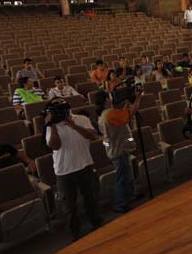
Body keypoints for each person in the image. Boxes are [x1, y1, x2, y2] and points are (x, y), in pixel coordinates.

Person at [45, 99, 102, 240]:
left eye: (62, 107)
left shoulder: (81, 119)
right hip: (64, 171)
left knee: (91, 198)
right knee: (69, 206)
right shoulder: (51, 126)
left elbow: (92, 136)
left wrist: (73, 125)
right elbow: (54, 146)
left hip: (85, 165)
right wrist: (52, 126)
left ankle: (97, 224)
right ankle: (75, 233)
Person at [95, 86, 141, 214]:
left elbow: (122, 116)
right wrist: (138, 98)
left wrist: (126, 105)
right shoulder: (109, 114)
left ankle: (130, 196)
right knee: (122, 178)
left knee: (127, 175)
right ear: (106, 100)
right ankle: (120, 203)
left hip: (118, 148)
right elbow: (129, 115)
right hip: (117, 150)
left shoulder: (106, 113)